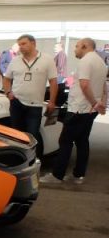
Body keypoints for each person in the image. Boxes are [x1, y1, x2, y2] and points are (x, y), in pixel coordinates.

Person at [41, 37, 107, 185]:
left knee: (65, 141)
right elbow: (104, 86)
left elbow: (84, 85)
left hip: (79, 108)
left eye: (77, 46)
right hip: (89, 110)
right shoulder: (101, 62)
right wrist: (101, 103)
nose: (75, 49)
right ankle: (79, 175)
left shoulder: (85, 61)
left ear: (85, 46)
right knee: (82, 141)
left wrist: (96, 103)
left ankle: (57, 175)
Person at [3, 34, 57, 146]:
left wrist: (52, 101)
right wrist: (8, 92)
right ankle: (18, 160)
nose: (21, 47)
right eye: (19, 45)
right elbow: (7, 79)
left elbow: (53, 82)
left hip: (35, 105)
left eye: (24, 44)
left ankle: (32, 161)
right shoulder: (15, 60)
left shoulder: (47, 59)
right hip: (16, 102)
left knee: (32, 136)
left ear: (33, 43)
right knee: (16, 135)